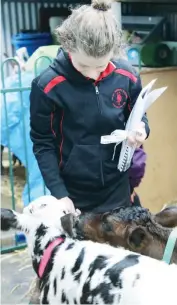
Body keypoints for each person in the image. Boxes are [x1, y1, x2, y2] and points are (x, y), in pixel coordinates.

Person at [30, 0, 149, 220]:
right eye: (84, 66)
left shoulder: (127, 75)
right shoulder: (47, 86)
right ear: (68, 45)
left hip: (118, 186)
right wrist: (60, 194)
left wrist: (142, 129)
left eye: (101, 66)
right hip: (74, 193)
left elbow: (139, 114)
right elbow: (43, 143)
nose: (93, 74)